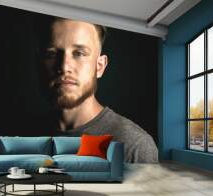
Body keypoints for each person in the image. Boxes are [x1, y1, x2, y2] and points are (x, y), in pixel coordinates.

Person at [36, 16, 158, 163]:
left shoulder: (134, 146)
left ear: (99, 66)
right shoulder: (22, 133)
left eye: (79, 53)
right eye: (52, 54)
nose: (64, 67)